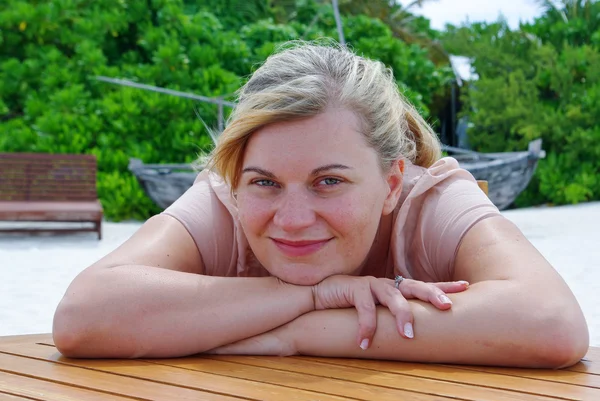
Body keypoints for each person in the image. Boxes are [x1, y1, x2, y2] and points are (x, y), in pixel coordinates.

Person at [52, 41, 589, 368]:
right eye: (264, 182)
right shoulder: (227, 200)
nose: (292, 219)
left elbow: (551, 322)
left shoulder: (433, 201)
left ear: (393, 181)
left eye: (328, 181)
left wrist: (294, 334)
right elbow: (83, 316)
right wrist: (314, 296)